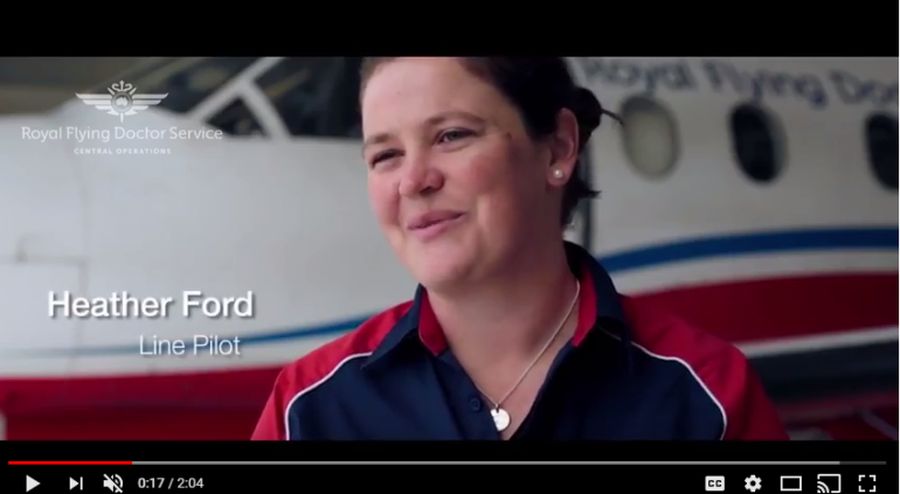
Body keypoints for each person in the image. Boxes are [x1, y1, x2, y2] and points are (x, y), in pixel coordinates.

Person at [251, 57, 788, 440]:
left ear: (558, 146)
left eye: (452, 135)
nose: (412, 181)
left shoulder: (709, 397)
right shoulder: (308, 410)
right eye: (384, 155)